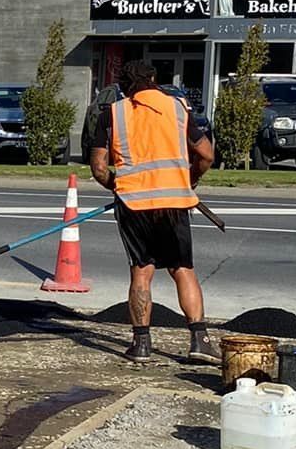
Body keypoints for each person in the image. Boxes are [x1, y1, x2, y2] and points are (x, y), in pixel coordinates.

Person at [87, 59, 218, 364]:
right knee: (182, 269)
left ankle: (141, 345)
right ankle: (199, 340)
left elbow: (98, 166)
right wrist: (191, 179)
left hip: (133, 204)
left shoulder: (114, 113)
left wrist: (117, 187)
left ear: (124, 87)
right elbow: (206, 154)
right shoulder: (176, 108)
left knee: (141, 271)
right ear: (154, 79)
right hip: (175, 202)